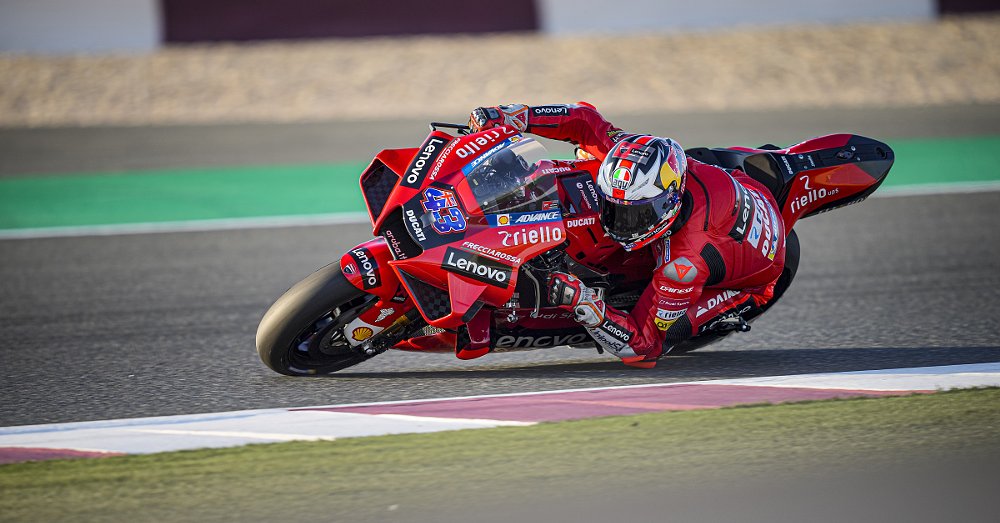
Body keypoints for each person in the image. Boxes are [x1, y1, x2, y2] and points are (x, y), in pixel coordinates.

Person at [469, 102, 799, 368]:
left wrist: (586, 305)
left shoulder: (683, 264)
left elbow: (643, 348)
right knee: (585, 158)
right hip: (726, 182)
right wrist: (512, 117)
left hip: (750, 277)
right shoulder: (634, 156)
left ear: (668, 202)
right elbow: (584, 120)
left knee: (666, 334)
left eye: (634, 214)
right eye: (615, 208)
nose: (619, 223)